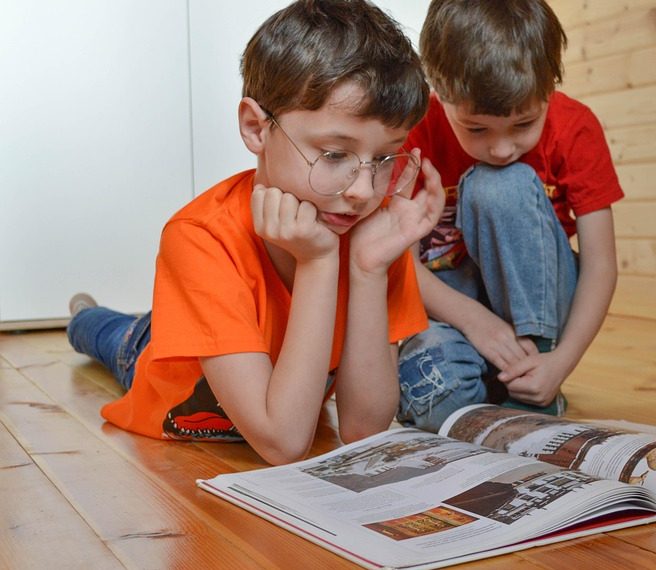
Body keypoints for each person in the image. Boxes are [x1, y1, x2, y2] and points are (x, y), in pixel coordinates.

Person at [66, 0, 444, 465]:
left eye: (386, 158)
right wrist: (319, 262)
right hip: (158, 357)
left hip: (237, 340)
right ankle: (84, 311)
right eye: (333, 155)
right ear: (255, 127)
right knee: (110, 335)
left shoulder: (371, 232)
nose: (364, 191)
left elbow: (364, 429)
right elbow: (283, 443)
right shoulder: (199, 237)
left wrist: (367, 269)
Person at [396, 0, 623, 432]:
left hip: (543, 307)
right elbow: (401, 266)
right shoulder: (413, 132)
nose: (501, 148)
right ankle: (500, 388)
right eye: (476, 128)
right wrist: (474, 321)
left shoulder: (576, 127)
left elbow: (601, 264)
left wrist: (560, 363)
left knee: (497, 184)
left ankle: (531, 375)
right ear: (439, 93)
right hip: (452, 308)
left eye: (524, 124)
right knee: (435, 398)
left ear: (549, 87)